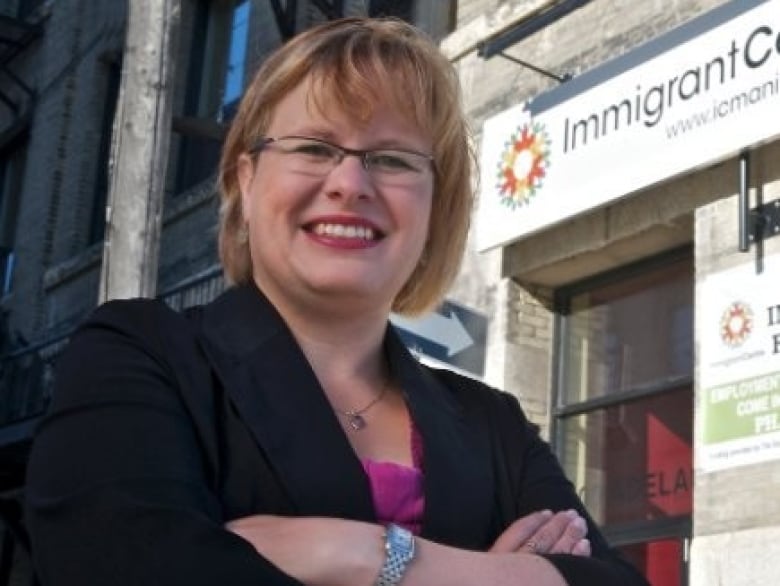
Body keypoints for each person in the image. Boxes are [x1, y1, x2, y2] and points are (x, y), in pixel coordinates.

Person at [24, 17, 649, 586]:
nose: (350, 183)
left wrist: (363, 556)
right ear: (246, 181)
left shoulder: (493, 424)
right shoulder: (140, 356)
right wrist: (501, 575)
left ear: (436, 206)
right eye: (314, 148)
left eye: (392, 159)